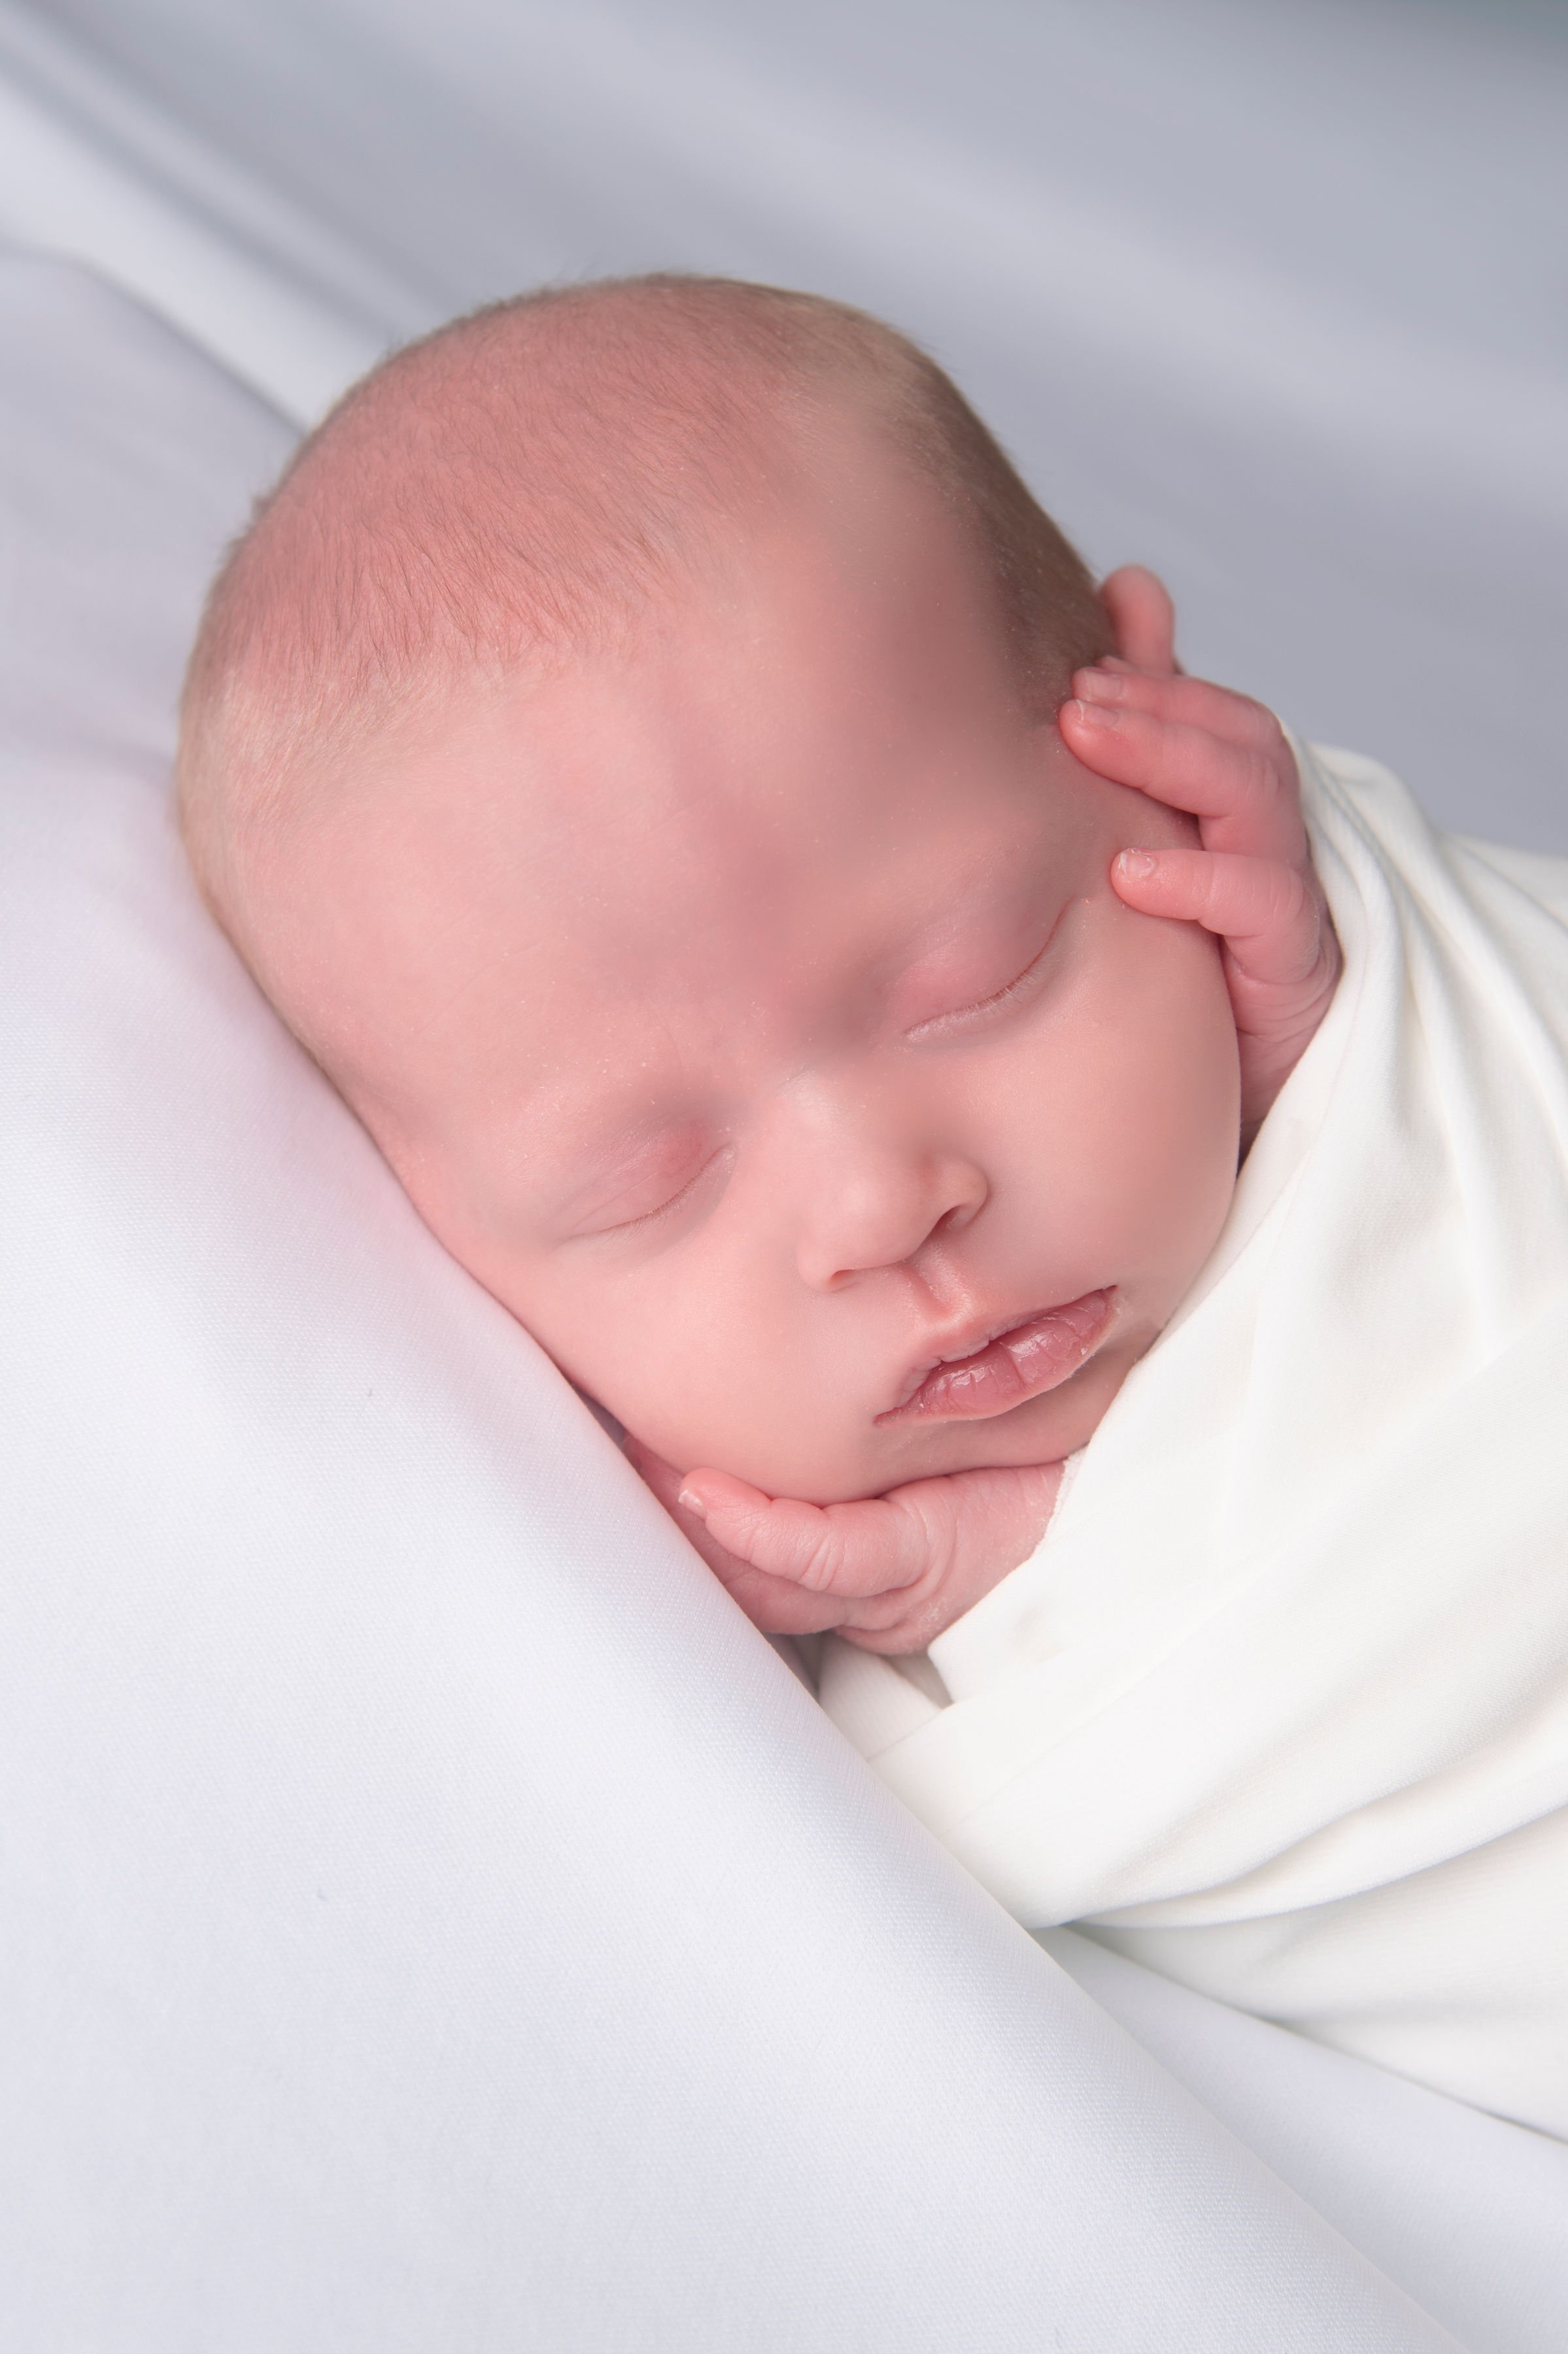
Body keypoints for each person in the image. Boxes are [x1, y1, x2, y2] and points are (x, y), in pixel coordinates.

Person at [177, 277, 1568, 2135]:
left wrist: (1333, 1015)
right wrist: (976, 1589)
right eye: (651, 1185)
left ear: (1156, 738)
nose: (886, 1203)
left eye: (980, 981)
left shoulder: (1421, 1018)